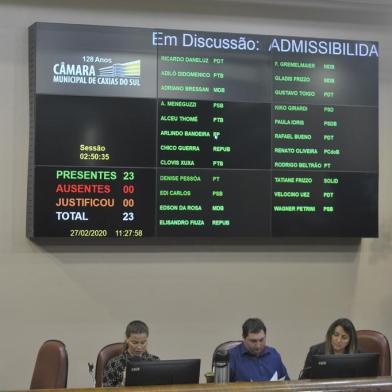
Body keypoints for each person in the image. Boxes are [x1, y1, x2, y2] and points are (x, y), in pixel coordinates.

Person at [103, 320, 159, 387]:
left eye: (143, 342)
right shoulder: (114, 363)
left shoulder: (155, 362)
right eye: (134, 343)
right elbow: (105, 389)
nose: (139, 347)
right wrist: (122, 384)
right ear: (127, 339)